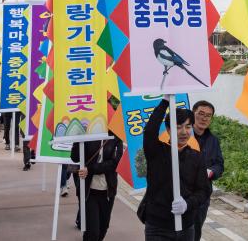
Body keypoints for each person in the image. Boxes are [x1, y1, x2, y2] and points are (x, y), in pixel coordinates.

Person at [141, 99, 210, 241]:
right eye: (178, 127)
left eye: (188, 127)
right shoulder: (156, 151)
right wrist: (165, 101)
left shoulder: (196, 157)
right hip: (157, 227)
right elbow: (149, 131)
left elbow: (204, 190)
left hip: (186, 227)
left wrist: (188, 204)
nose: (184, 132)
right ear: (168, 130)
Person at [70, 135, 124, 241]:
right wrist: (77, 139)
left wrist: (90, 169)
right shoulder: (89, 134)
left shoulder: (116, 137)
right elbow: (75, 157)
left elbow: (115, 163)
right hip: (89, 192)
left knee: (103, 228)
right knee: (92, 232)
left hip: (108, 192)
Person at [191, 100, 224, 241]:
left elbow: (219, 164)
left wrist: (211, 172)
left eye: (208, 116)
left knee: (195, 233)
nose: (204, 118)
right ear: (193, 114)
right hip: (181, 194)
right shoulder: (182, 135)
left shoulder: (213, 140)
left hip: (202, 196)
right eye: (201, 114)